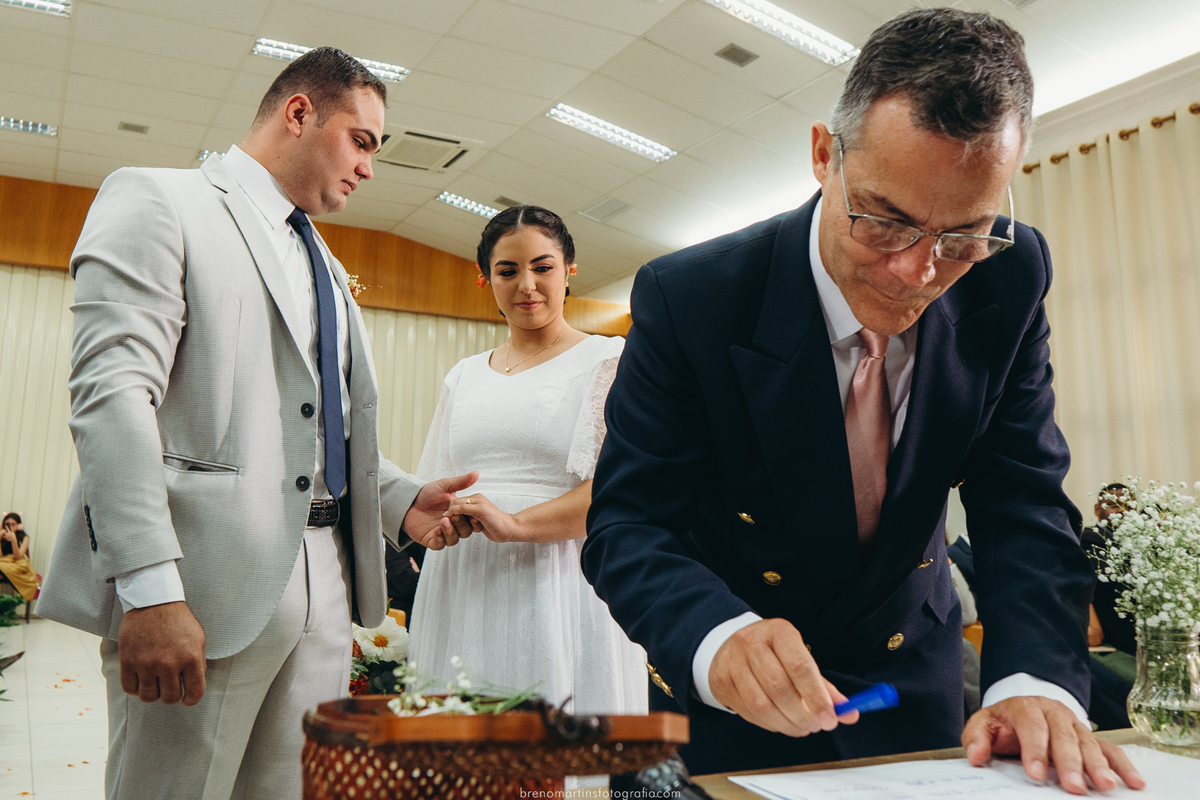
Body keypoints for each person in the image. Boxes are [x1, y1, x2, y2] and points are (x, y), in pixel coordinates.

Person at [582, 8, 1144, 793]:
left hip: (918, 673)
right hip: (751, 694)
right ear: (824, 156)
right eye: (886, 221)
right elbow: (629, 523)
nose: (918, 271)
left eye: (963, 235)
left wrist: (1036, 681)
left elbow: (1022, 500)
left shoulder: (1010, 276)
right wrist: (716, 637)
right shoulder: (695, 297)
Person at [37, 47, 475, 800]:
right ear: (299, 112)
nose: (370, 168)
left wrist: (400, 497)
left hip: (325, 579)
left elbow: (314, 417)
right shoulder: (158, 200)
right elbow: (113, 395)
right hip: (202, 581)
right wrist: (149, 588)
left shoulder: (327, 265)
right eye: (361, 141)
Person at [408, 205, 646, 717]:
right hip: (465, 576)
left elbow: (618, 491)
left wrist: (515, 524)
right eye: (508, 270)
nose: (527, 285)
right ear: (485, 279)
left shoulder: (608, 360)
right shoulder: (463, 374)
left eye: (543, 267)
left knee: (551, 756)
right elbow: (434, 483)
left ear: (569, 272)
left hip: (559, 577)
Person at [0, 512, 38, 603]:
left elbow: (18, 557)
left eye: (13, 524)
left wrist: (14, 541)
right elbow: (1, 557)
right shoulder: (2, 536)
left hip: (18, 565)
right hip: (4, 564)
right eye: (7, 524)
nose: (10, 527)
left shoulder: (25, 538)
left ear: (19, 525)